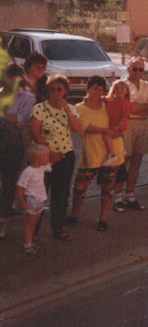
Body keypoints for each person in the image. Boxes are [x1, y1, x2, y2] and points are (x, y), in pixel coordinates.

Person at [69, 76, 125, 231]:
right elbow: (82, 127)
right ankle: (74, 215)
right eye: (93, 88)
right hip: (91, 153)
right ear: (87, 89)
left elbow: (122, 114)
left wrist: (120, 130)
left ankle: (102, 219)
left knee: (107, 187)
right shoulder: (78, 108)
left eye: (100, 89)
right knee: (80, 187)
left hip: (112, 153)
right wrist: (106, 130)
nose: (97, 92)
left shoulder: (108, 104)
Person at [30, 75, 82, 241]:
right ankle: (33, 231)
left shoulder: (71, 109)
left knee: (61, 194)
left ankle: (57, 227)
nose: (55, 92)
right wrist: (49, 153)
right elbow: (35, 132)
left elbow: (77, 129)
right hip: (42, 158)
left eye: (59, 89)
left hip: (65, 157)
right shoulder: (40, 108)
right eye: (52, 89)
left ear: (65, 91)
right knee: (38, 194)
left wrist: (67, 110)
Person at [117, 57, 148, 212]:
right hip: (128, 124)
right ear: (128, 69)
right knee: (124, 161)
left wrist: (138, 108)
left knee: (137, 161)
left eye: (141, 69)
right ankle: (118, 197)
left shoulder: (147, 85)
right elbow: (129, 108)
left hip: (143, 124)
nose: (138, 72)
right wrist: (143, 106)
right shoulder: (121, 85)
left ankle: (130, 195)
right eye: (135, 69)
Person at [0, 63, 34, 238]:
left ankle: (2, 222)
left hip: (12, 144)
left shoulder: (27, 97)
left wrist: (5, 116)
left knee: (8, 183)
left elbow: (21, 120)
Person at [16, 145, 51, 255]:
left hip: (40, 199)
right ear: (36, 159)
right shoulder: (28, 171)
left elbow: (51, 164)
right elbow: (19, 187)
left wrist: (58, 155)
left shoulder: (42, 167)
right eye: (46, 156)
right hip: (31, 200)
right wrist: (21, 201)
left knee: (34, 223)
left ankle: (30, 242)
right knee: (29, 225)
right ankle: (26, 245)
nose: (48, 159)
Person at [101, 80, 131, 167]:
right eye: (116, 88)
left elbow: (124, 117)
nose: (119, 90)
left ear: (127, 91)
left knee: (106, 136)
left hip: (119, 125)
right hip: (112, 123)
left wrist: (117, 126)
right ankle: (121, 150)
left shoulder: (125, 102)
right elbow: (102, 97)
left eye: (122, 88)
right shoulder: (110, 100)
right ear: (113, 90)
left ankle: (112, 155)